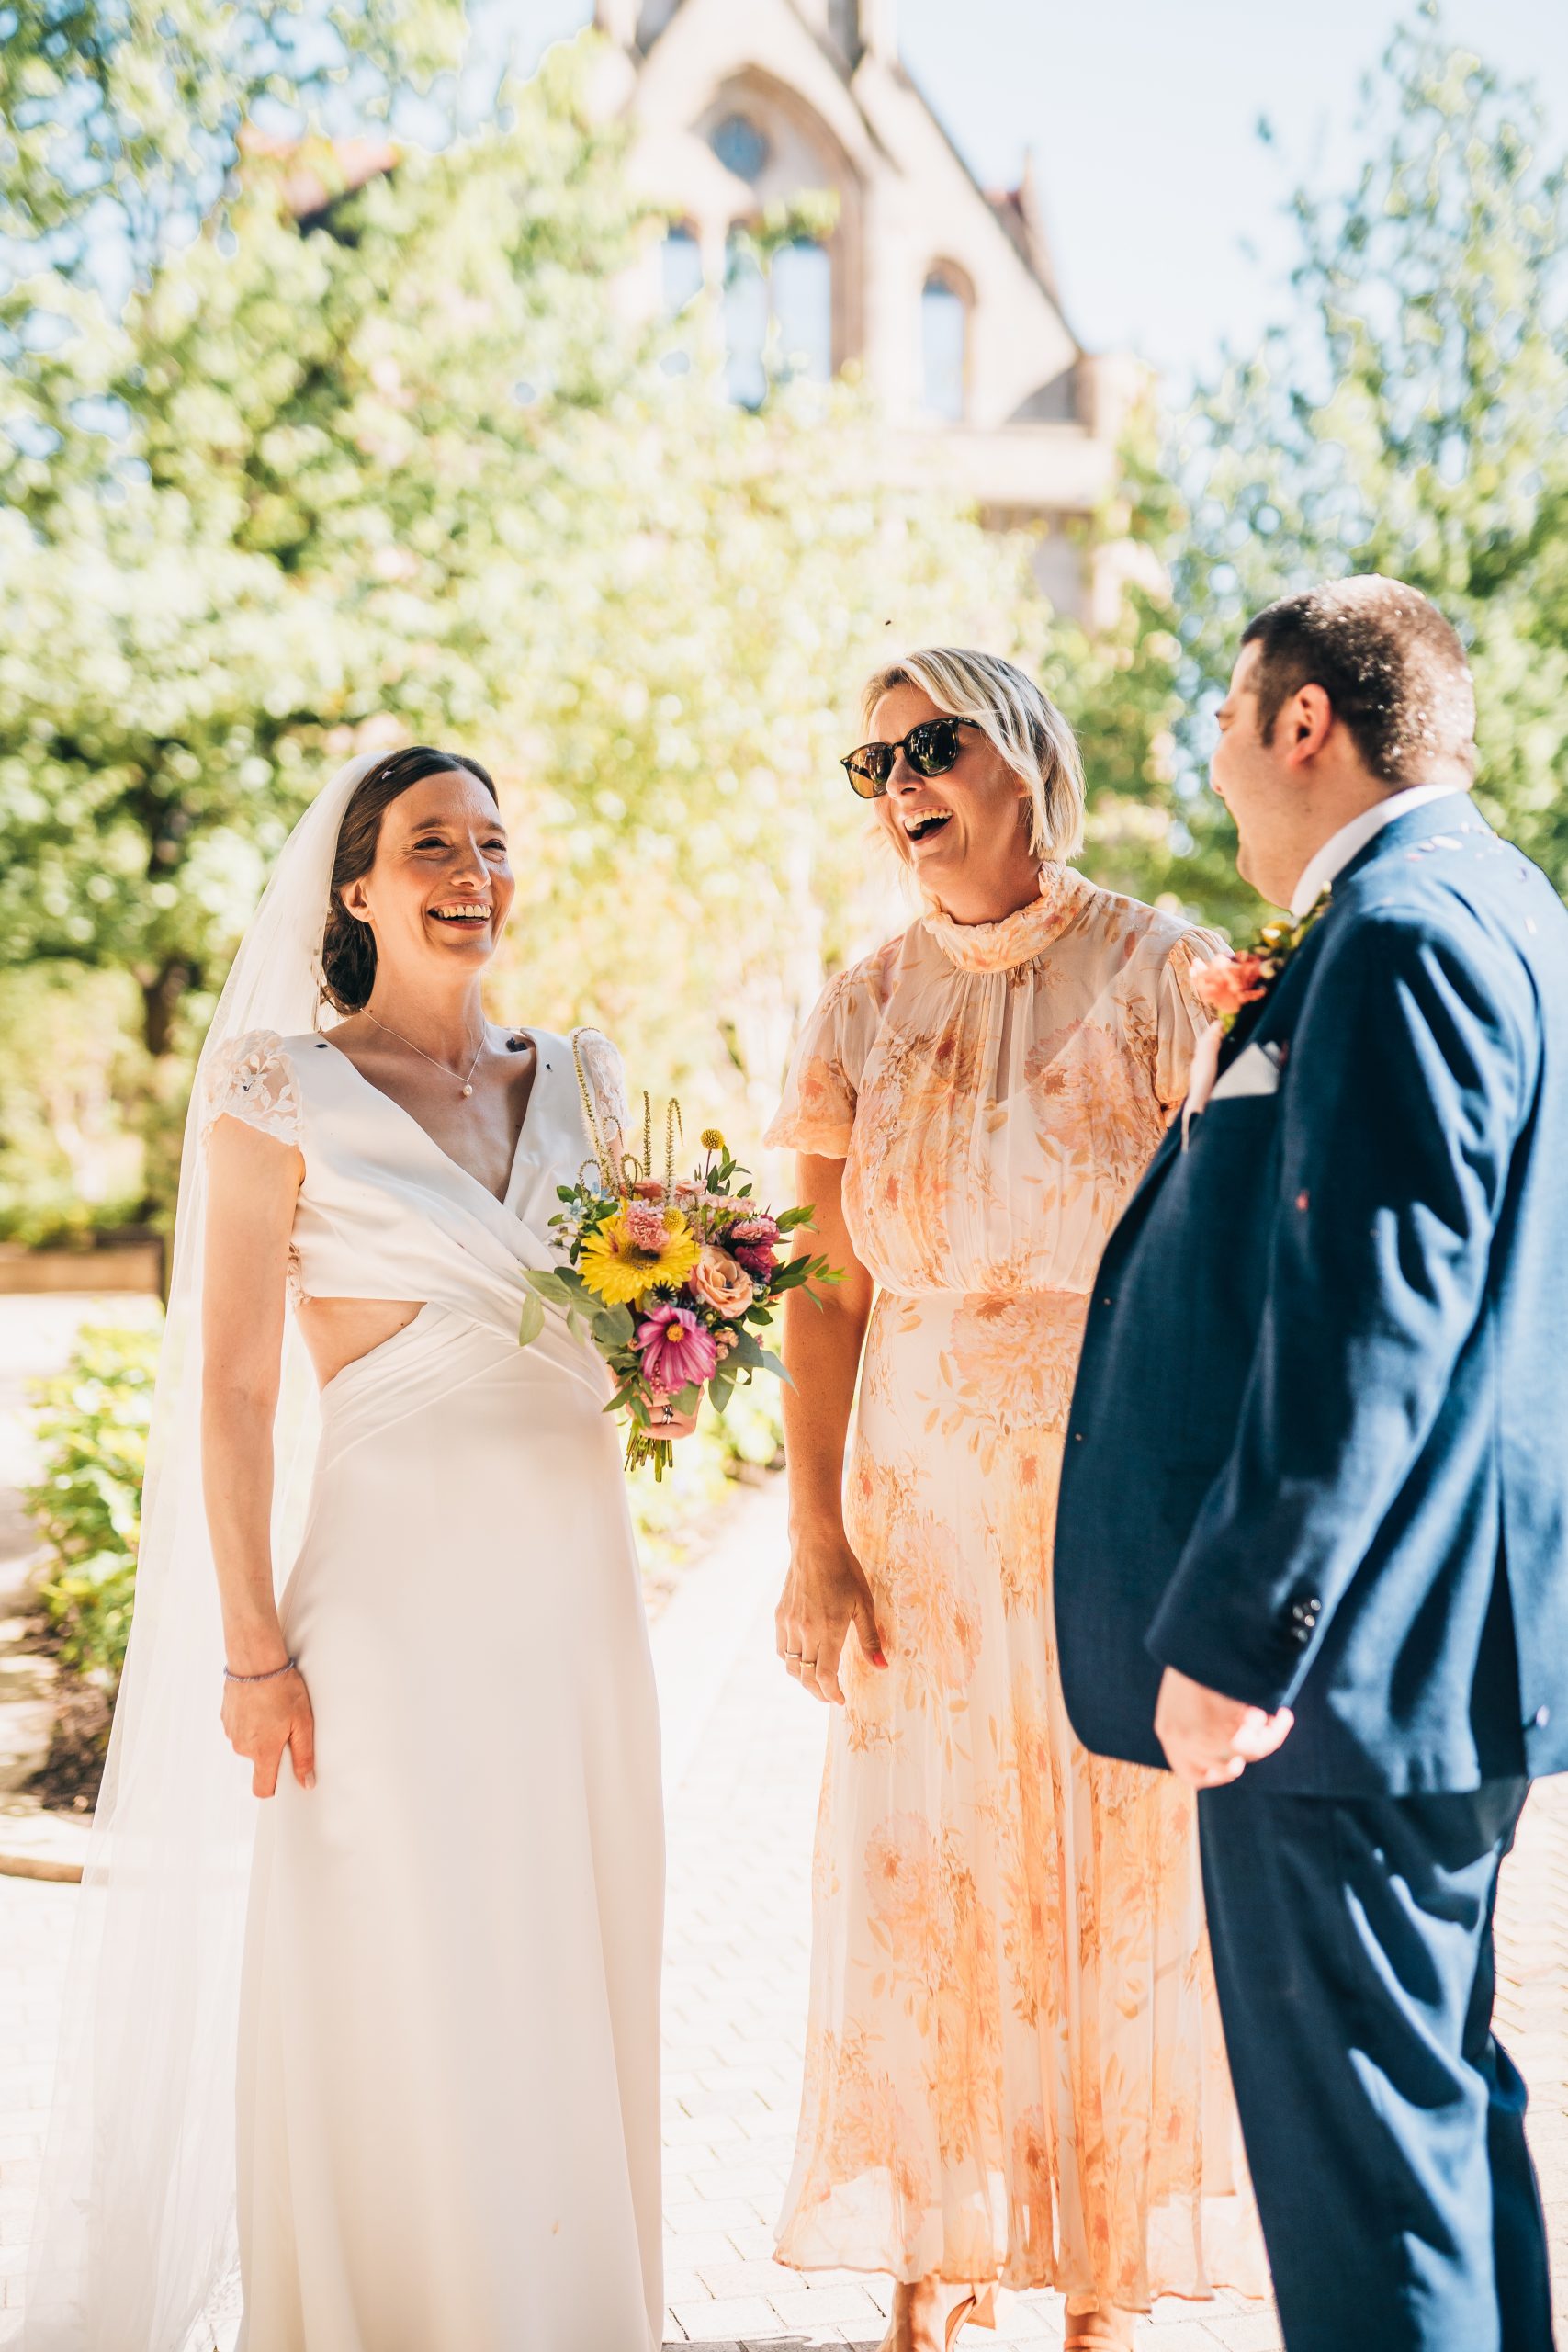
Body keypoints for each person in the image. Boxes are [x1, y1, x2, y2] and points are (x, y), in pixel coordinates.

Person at [25, 745, 684, 2352]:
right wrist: (254, 1648)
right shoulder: (271, 1086)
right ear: (359, 888)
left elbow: (643, 1317)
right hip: (386, 1606)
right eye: (433, 846)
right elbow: (238, 1390)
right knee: (405, 1960)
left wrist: (690, 1321)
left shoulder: (587, 1082)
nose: (473, 872)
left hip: (575, 1594)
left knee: (569, 1949)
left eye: (493, 843)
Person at [1054, 577, 1568, 2352]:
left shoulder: (1406, 930)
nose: (1205, 752)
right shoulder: (1513, 906)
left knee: (1363, 2175)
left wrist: (1242, 1635)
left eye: (1219, 713)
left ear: (1306, 724)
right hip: (1444, 1651)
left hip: (1348, 1665)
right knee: (1433, 2115)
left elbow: (1380, 1311)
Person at [766, 649, 1265, 2352]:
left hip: (1107, 1490)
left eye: (933, 743)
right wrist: (813, 1539)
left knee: (1114, 1871)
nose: (901, 780)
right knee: (923, 1876)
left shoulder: (1166, 973)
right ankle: (938, 2249)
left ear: (1027, 757)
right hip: (912, 1517)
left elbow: (1237, 1260)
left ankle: (1110, 2278)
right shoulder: (855, 1003)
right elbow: (824, 1292)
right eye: (873, 761)